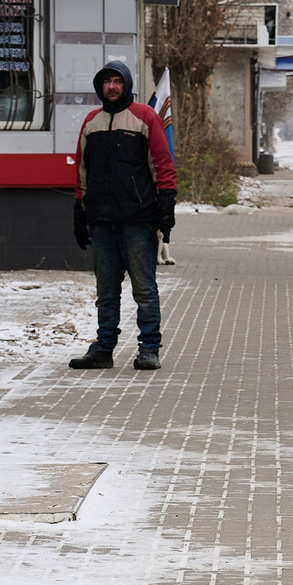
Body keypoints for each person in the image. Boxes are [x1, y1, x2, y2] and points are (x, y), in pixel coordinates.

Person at [70, 61, 178, 371]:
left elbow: (162, 164)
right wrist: (79, 211)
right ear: (100, 87)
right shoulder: (91, 122)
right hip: (101, 221)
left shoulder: (145, 117)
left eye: (118, 81)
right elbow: (82, 170)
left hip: (137, 220)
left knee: (144, 289)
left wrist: (166, 205)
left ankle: (149, 348)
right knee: (106, 291)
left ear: (127, 84)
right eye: (107, 82)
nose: (112, 86)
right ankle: (103, 348)